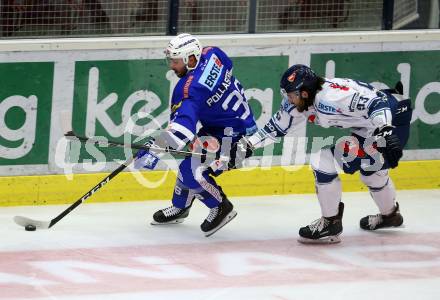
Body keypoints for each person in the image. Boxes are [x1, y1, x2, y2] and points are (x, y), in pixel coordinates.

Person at [237, 64, 412, 244]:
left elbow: (377, 103)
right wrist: (247, 145)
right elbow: (276, 127)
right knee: (372, 175)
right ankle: (390, 216)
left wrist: (385, 129)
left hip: (390, 123)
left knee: (322, 160)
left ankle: (330, 222)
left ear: (304, 93)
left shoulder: (331, 98)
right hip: (373, 126)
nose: (288, 100)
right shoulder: (303, 101)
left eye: (290, 95)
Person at [135, 33, 257, 237]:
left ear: (191, 58)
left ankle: (220, 206)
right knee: (188, 166)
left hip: (234, 138)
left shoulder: (189, 88)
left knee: (193, 172)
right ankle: (180, 207)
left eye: (175, 61)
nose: (171, 67)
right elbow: (228, 67)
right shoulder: (213, 53)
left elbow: (183, 130)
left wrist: (155, 147)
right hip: (226, 126)